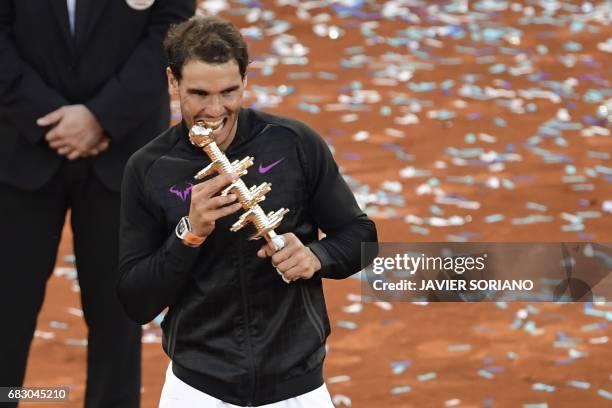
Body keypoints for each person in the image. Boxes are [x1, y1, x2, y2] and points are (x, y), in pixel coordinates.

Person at [117, 15, 378, 407]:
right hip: (198, 390)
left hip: (298, 389)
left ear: (245, 81)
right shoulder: (148, 168)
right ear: (172, 82)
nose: (215, 109)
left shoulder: (293, 143)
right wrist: (190, 234)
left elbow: (362, 237)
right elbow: (136, 300)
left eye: (229, 92)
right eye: (199, 93)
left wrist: (316, 256)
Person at [0, 1, 194, 407]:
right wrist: (47, 115)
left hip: (124, 155)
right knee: (6, 314)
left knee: (117, 320)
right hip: (16, 151)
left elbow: (169, 29)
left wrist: (101, 117)